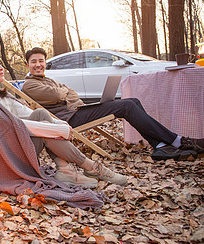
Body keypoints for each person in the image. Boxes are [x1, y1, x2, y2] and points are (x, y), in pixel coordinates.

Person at [0, 49, 127, 188]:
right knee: (45, 130)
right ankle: (90, 166)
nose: (1, 68)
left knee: (41, 114)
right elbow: (16, 125)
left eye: (0, 63)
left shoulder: (2, 95)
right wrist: (58, 129)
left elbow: (27, 115)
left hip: (17, 146)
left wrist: (61, 123)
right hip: (6, 160)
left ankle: (65, 170)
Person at [22, 47, 204, 161]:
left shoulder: (48, 79)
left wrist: (65, 94)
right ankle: (176, 141)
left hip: (77, 110)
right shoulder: (29, 84)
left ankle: (160, 146)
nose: (38, 64)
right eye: (34, 62)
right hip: (70, 119)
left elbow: (71, 92)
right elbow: (58, 94)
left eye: (41, 61)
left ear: (45, 62)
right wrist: (65, 93)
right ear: (28, 65)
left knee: (133, 101)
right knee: (127, 106)